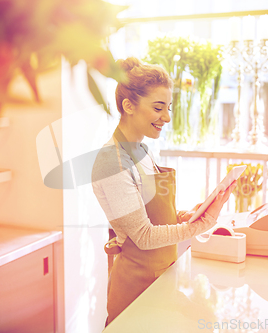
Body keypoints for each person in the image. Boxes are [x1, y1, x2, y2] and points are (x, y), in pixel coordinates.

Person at [91, 57, 235, 326]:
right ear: (128, 106)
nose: (167, 117)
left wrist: (187, 215)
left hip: (162, 279)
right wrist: (200, 226)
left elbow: (156, 213)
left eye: (168, 108)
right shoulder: (112, 162)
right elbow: (144, 236)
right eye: (159, 108)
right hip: (136, 291)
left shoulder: (142, 150)